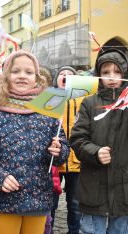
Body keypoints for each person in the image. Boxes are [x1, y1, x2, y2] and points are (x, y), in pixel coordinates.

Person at [0, 50, 70, 234]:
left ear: (37, 78)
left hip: (38, 196)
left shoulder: (48, 112)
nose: (22, 76)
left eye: (28, 72)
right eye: (16, 71)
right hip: (5, 198)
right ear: (6, 76)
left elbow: (63, 150)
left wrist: (59, 151)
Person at [70, 49, 128, 234]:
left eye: (117, 71)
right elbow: (78, 139)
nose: (112, 76)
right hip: (93, 189)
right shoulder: (89, 103)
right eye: (106, 72)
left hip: (124, 191)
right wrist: (94, 152)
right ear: (98, 75)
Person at [51, 66, 82, 234]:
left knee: (75, 204)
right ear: (57, 79)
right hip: (54, 160)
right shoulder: (50, 97)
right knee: (51, 202)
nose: (66, 76)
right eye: (62, 74)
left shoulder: (84, 100)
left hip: (77, 160)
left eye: (70, 75)